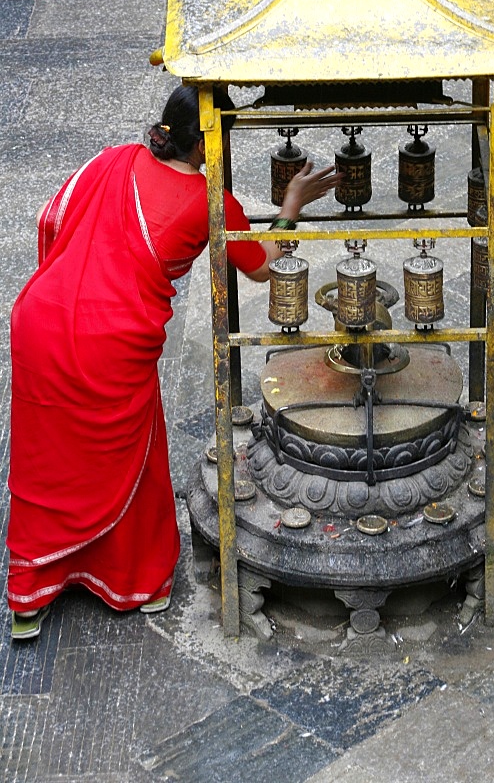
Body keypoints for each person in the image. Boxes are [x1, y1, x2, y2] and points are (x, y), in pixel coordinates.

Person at [6, 84, 339, 640]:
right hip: (110, 343)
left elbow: (52, 219)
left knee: (46, 461)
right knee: (129, 460)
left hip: (40, 320)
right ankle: (135, 584)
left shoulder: (112, 161)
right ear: (211, 142)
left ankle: (29, 599)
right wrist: (291, 206)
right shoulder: (213, 201)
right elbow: (263, 265)